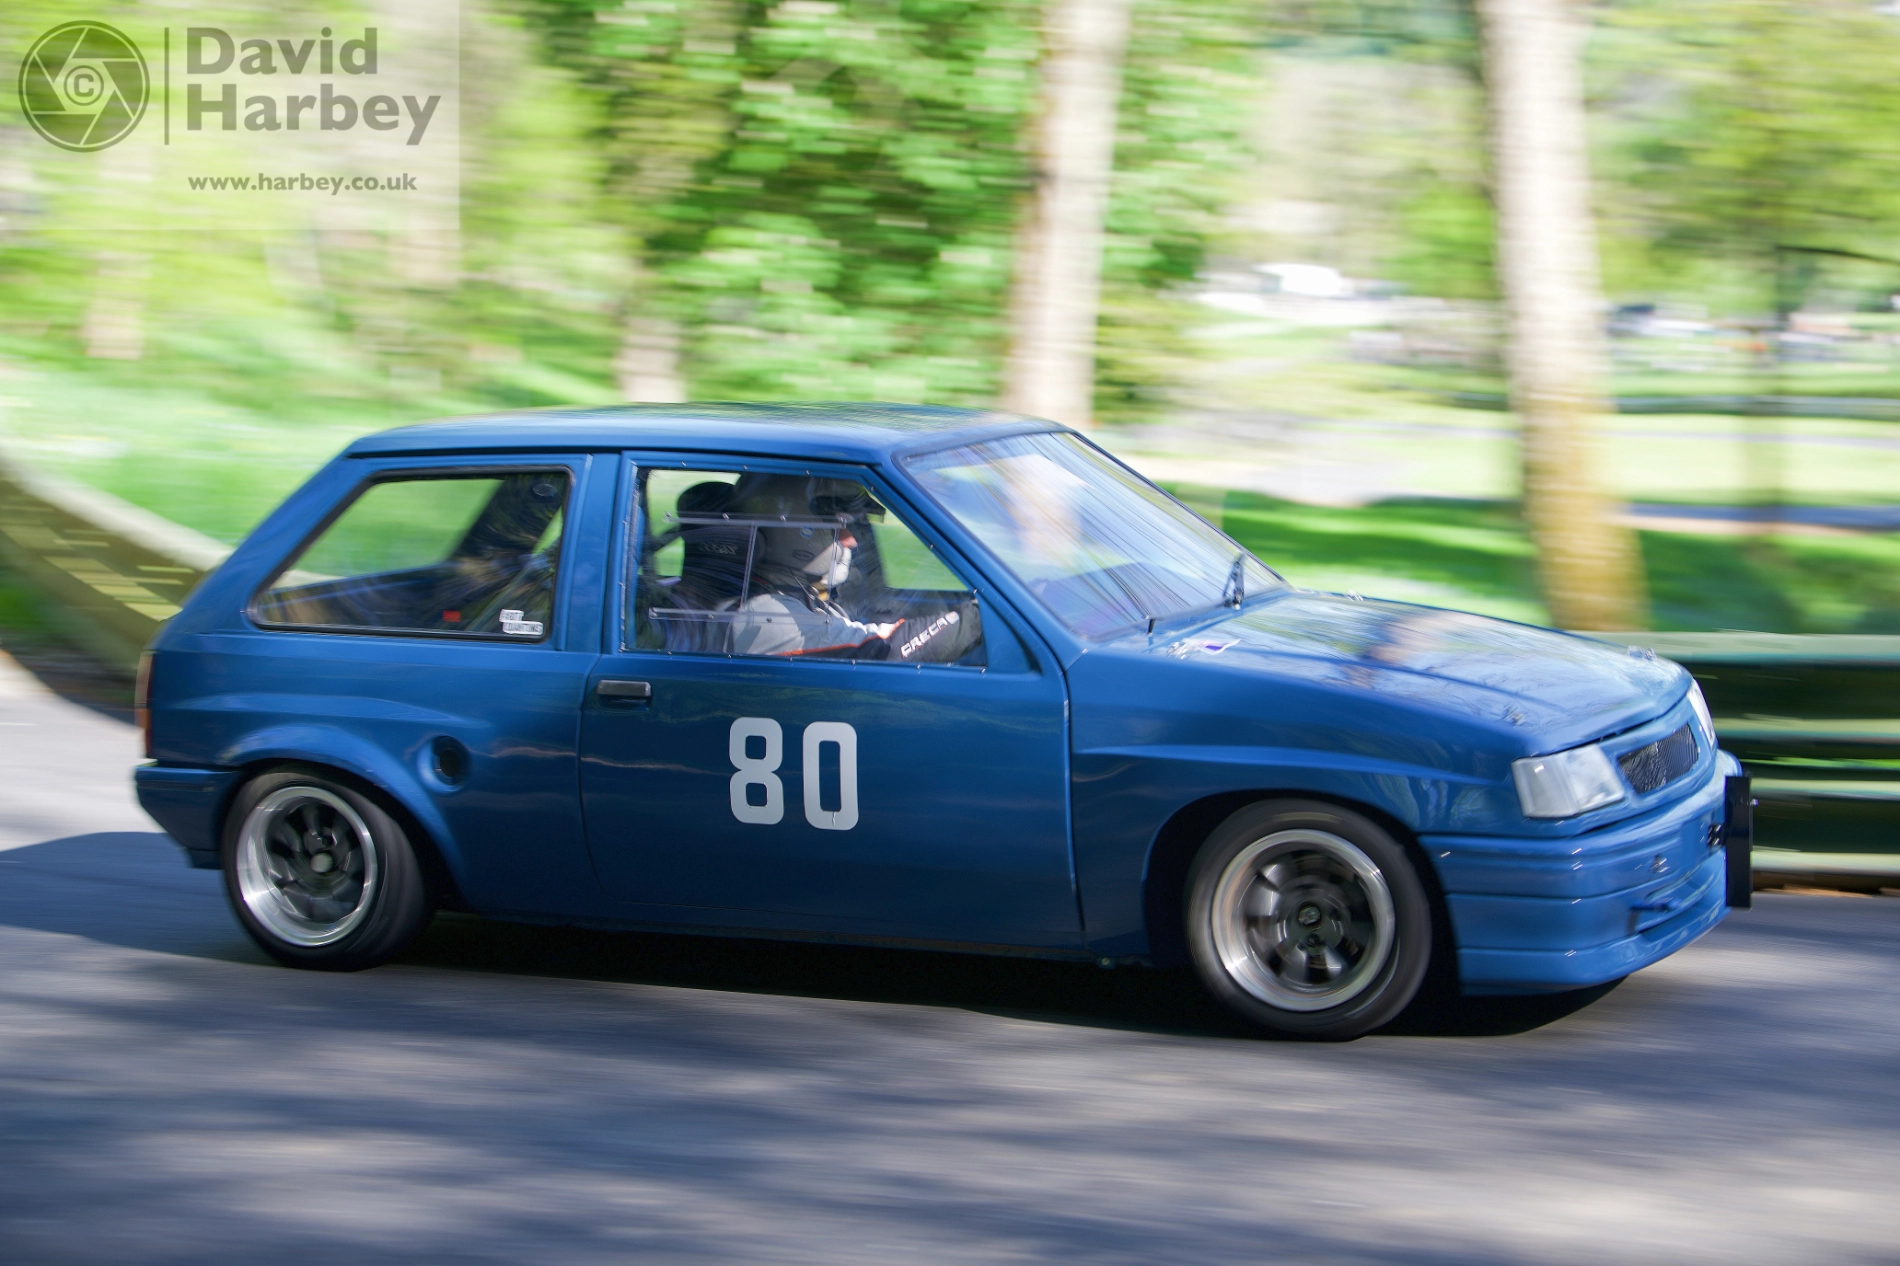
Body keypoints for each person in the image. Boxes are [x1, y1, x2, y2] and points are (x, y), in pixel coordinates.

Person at [721, 475, 981, 662]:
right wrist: (977, 617)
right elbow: (884, 648)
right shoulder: (767, 615)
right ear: (791, 531)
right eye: (838, 525)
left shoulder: (807, 597)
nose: (852, 540)